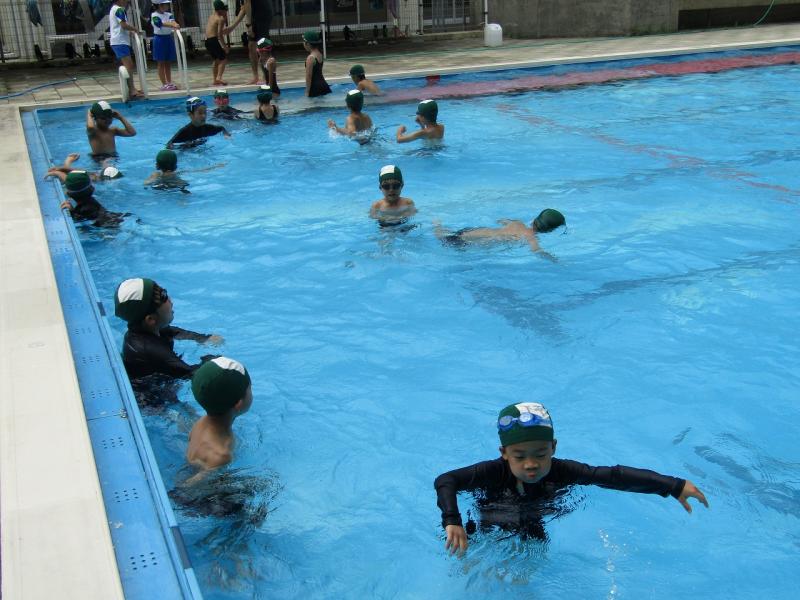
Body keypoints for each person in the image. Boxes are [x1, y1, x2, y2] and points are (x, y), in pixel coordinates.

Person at [434, 402, 709, 555]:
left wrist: (672, 486)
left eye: (540, 454)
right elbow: (446, 480)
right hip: (492, 515)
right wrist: (452, 520)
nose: (531, 464)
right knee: (470, 553)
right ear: (504, 453)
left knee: (532, 558)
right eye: (519, 456)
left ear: (553, 448)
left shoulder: (564, 471)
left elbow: (613, 476)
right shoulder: (492, 472)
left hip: (535, 518)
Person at [114, 277, 224, 384]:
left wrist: (203, 338)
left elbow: (173, 331)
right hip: (153, 392)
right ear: (150, 319)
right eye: (164, 296)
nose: (170, 300)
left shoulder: (146, 328)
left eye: (164, 291)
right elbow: (191, 373)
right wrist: (212, 359)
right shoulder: (150, 349)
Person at [187, 357, 252, 470]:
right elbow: (198, 480)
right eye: (250, 388)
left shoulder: (201, 422)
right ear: (239, 403)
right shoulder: (221, 455)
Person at [434, 208, 565, 253]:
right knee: (442, 239)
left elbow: (501, 220)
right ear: (549, 230)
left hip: (473, 231)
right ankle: (436, 225)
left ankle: (438, 224)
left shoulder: (518, 223)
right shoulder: (531, 237)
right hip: (470, 241)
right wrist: (553, 258)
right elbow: (537, 251)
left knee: (450, 235)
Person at [59, 170, 127, 227]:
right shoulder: (90, 201)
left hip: (110, 224)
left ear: (69, 194)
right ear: (92, 189)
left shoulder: (84, 209)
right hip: (114, 217)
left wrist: (72, 212)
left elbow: (79, 220)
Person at [108, 0, 143, 99]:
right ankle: (132, 90)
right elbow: (123, 25)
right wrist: (135, 29)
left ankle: (132, 89)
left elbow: (118, 26)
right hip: (120, 41)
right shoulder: (119, 10)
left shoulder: (113, 9)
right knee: (129, 65)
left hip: (119, 41)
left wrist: (130, 32)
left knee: (129, 65)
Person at [224, 0, 260, 85]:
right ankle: (256, 77)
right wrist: (232, 27)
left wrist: (250, 25)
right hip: (255, 19)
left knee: (263, 46)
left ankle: (267, 76)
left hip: (261, 17)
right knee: (251, 46)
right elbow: (244, 8)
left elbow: (247, 3)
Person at [151, 0, 180, 91]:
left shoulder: (169, 15)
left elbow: (173, 22)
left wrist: (175, 24)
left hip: (168, 38)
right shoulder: (154, 15)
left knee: (168, 62)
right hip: (159, 39)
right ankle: (164, 84)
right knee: (161, 62)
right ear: (160, 5)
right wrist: (172, 24)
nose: (167, 6)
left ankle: (169, 82)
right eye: (166, 4)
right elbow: (159, 23)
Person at [45, 153, 123, 182]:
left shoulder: (94, 178)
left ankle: (67, 163)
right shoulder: (97, 176)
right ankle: (67, 163)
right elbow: (83, 172)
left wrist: (58, 173)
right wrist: (63, 168)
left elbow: (69, 181)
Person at [204, 0, 230, 86]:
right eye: (224, 10)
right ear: (220, 10)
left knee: (216, 60)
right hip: (213, 40)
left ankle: (215, 80)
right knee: (223, 59)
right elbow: (219, 34)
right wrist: (225, 46)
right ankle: (219, 77)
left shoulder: (211, 16)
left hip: (207, 41)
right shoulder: (220, 19)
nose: (225, 12)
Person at [302, 30, 331, 97]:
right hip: (324, 85)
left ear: (307, 44)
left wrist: (307, 91)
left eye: (303, 42)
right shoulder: (320, 54)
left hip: (315, 87)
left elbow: (309, 76)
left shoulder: (310, 58)